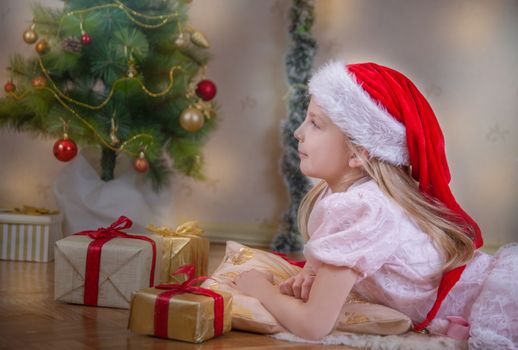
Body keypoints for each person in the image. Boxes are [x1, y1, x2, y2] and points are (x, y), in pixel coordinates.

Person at [232, 60, 518, 349]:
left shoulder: (363, 208)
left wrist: (260, 289)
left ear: (359, 153)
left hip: (494, 302)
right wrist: (310, 272)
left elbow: (313, 324)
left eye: (316, 123)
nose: (298, 131)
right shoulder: (349, 197)